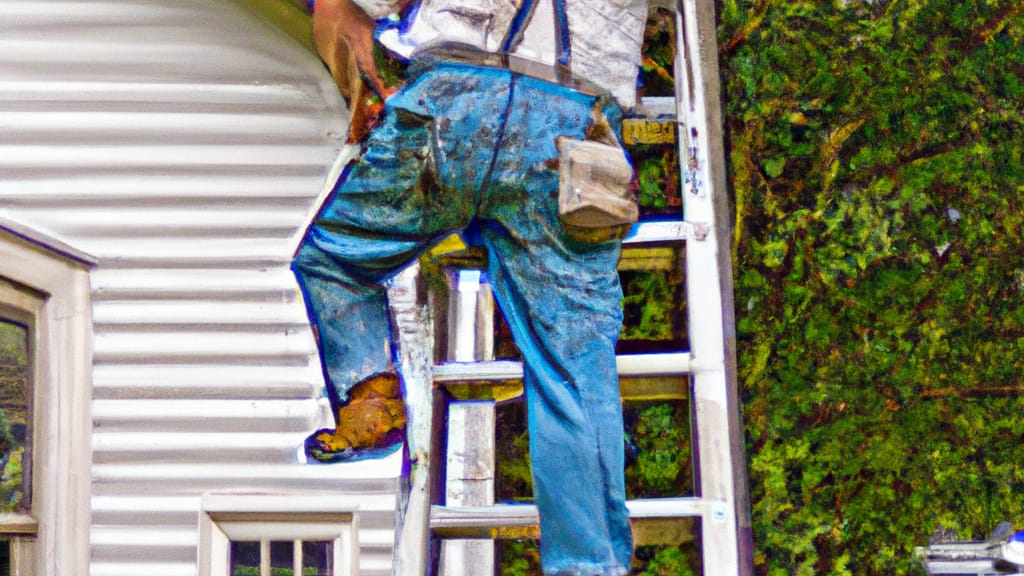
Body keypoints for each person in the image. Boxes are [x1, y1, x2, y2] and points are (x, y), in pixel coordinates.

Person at [292, 0, 647, 572]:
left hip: (454, 103)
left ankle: (371, 398)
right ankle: (590, 564)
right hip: (575, 130)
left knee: (337, 260)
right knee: (572, 370)